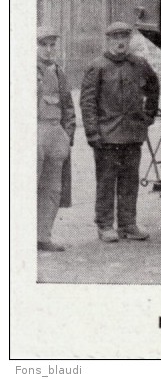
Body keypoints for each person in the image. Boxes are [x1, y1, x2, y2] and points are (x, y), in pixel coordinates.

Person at [80, 22, 160, 242]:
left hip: (132, 135)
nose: (120, 42)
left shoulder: (138, 64)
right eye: (116, 38)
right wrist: (93, 134)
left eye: (124, 37)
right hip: (107, 136)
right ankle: (105, 225)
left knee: (129, 182)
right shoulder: (98, 67)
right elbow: (87, 103)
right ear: (108, 40)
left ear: (129, 40)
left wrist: (148, 116)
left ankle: (128, 224)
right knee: (106, 182)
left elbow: (153, 86)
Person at [37, 25, 76, 252]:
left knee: (52, 189)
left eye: (52, 45)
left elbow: (68, 108)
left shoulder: (58, 72)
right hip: (32, 133)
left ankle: (43, 236)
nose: (48, 50)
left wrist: (66, 136)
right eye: (43, 44)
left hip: (55, 134)